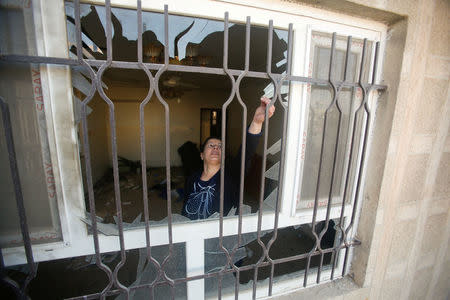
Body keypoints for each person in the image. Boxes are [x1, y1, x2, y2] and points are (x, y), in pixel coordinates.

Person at [182, 97, 275, 220]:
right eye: (211, 145)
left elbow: (246, 152)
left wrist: (257, 123)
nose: (216, 148)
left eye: (220, 146)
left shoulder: (232, 175)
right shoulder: (192, 178)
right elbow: (185, 207)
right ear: (202, 155)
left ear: (224, 156)